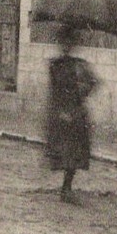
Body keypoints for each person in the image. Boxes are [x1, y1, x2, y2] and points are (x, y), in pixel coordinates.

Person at [45, 24, 100, 204]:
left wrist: (83, 92)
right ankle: (65, 189)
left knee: (75, 152)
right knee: (66, 151)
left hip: (76, 112)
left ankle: (67, 187)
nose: (67, 47)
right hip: (62, 111)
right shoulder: (56, 65)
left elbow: (93, 83)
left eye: (70, 43)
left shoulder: (79, 65)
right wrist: (61, 111)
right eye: (64, 43)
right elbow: (55, 90)